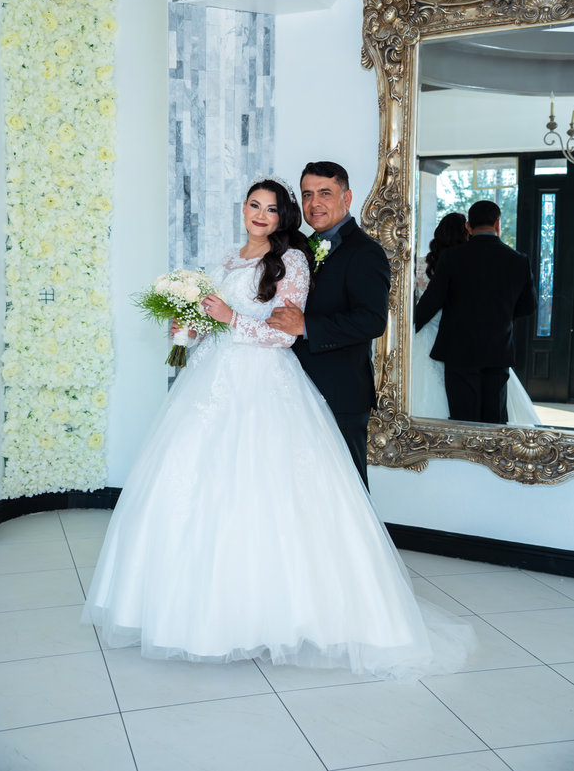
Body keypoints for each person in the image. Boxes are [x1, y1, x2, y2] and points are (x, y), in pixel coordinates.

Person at [82, 175, 474, 679]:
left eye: (271, 208)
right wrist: (189, 327)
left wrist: (227, 318)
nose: (261, 214)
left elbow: (282, 336)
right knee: (195, 487)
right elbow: (211, 322)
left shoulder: (290, 262)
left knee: (268, 492)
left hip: (267, 385)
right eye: (253, 205)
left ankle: (282, 614)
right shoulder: (225, 259)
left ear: (282, 216)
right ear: (243, 209)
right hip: (209, 384)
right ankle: (190, 611)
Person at [267, 161, 390, 489]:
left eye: (325, 193)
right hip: (295, 387)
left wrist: (306, 326)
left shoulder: (366, 252)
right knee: (304, 485)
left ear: (346, 199)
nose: (314, 203)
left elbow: (372, 320)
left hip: (341, 392)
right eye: (307, 195)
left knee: (347, 490)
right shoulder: (297, 250)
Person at [415, 201, 537, 424]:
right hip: (497, 349)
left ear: (469, 226)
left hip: (459, 351)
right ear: (498, 224)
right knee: (494, 420)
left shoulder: (452, 257)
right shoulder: (518, 260)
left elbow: (431, 302)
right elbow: (528, 306)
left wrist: (406, 331)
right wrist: (500, 316)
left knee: (463, 421)